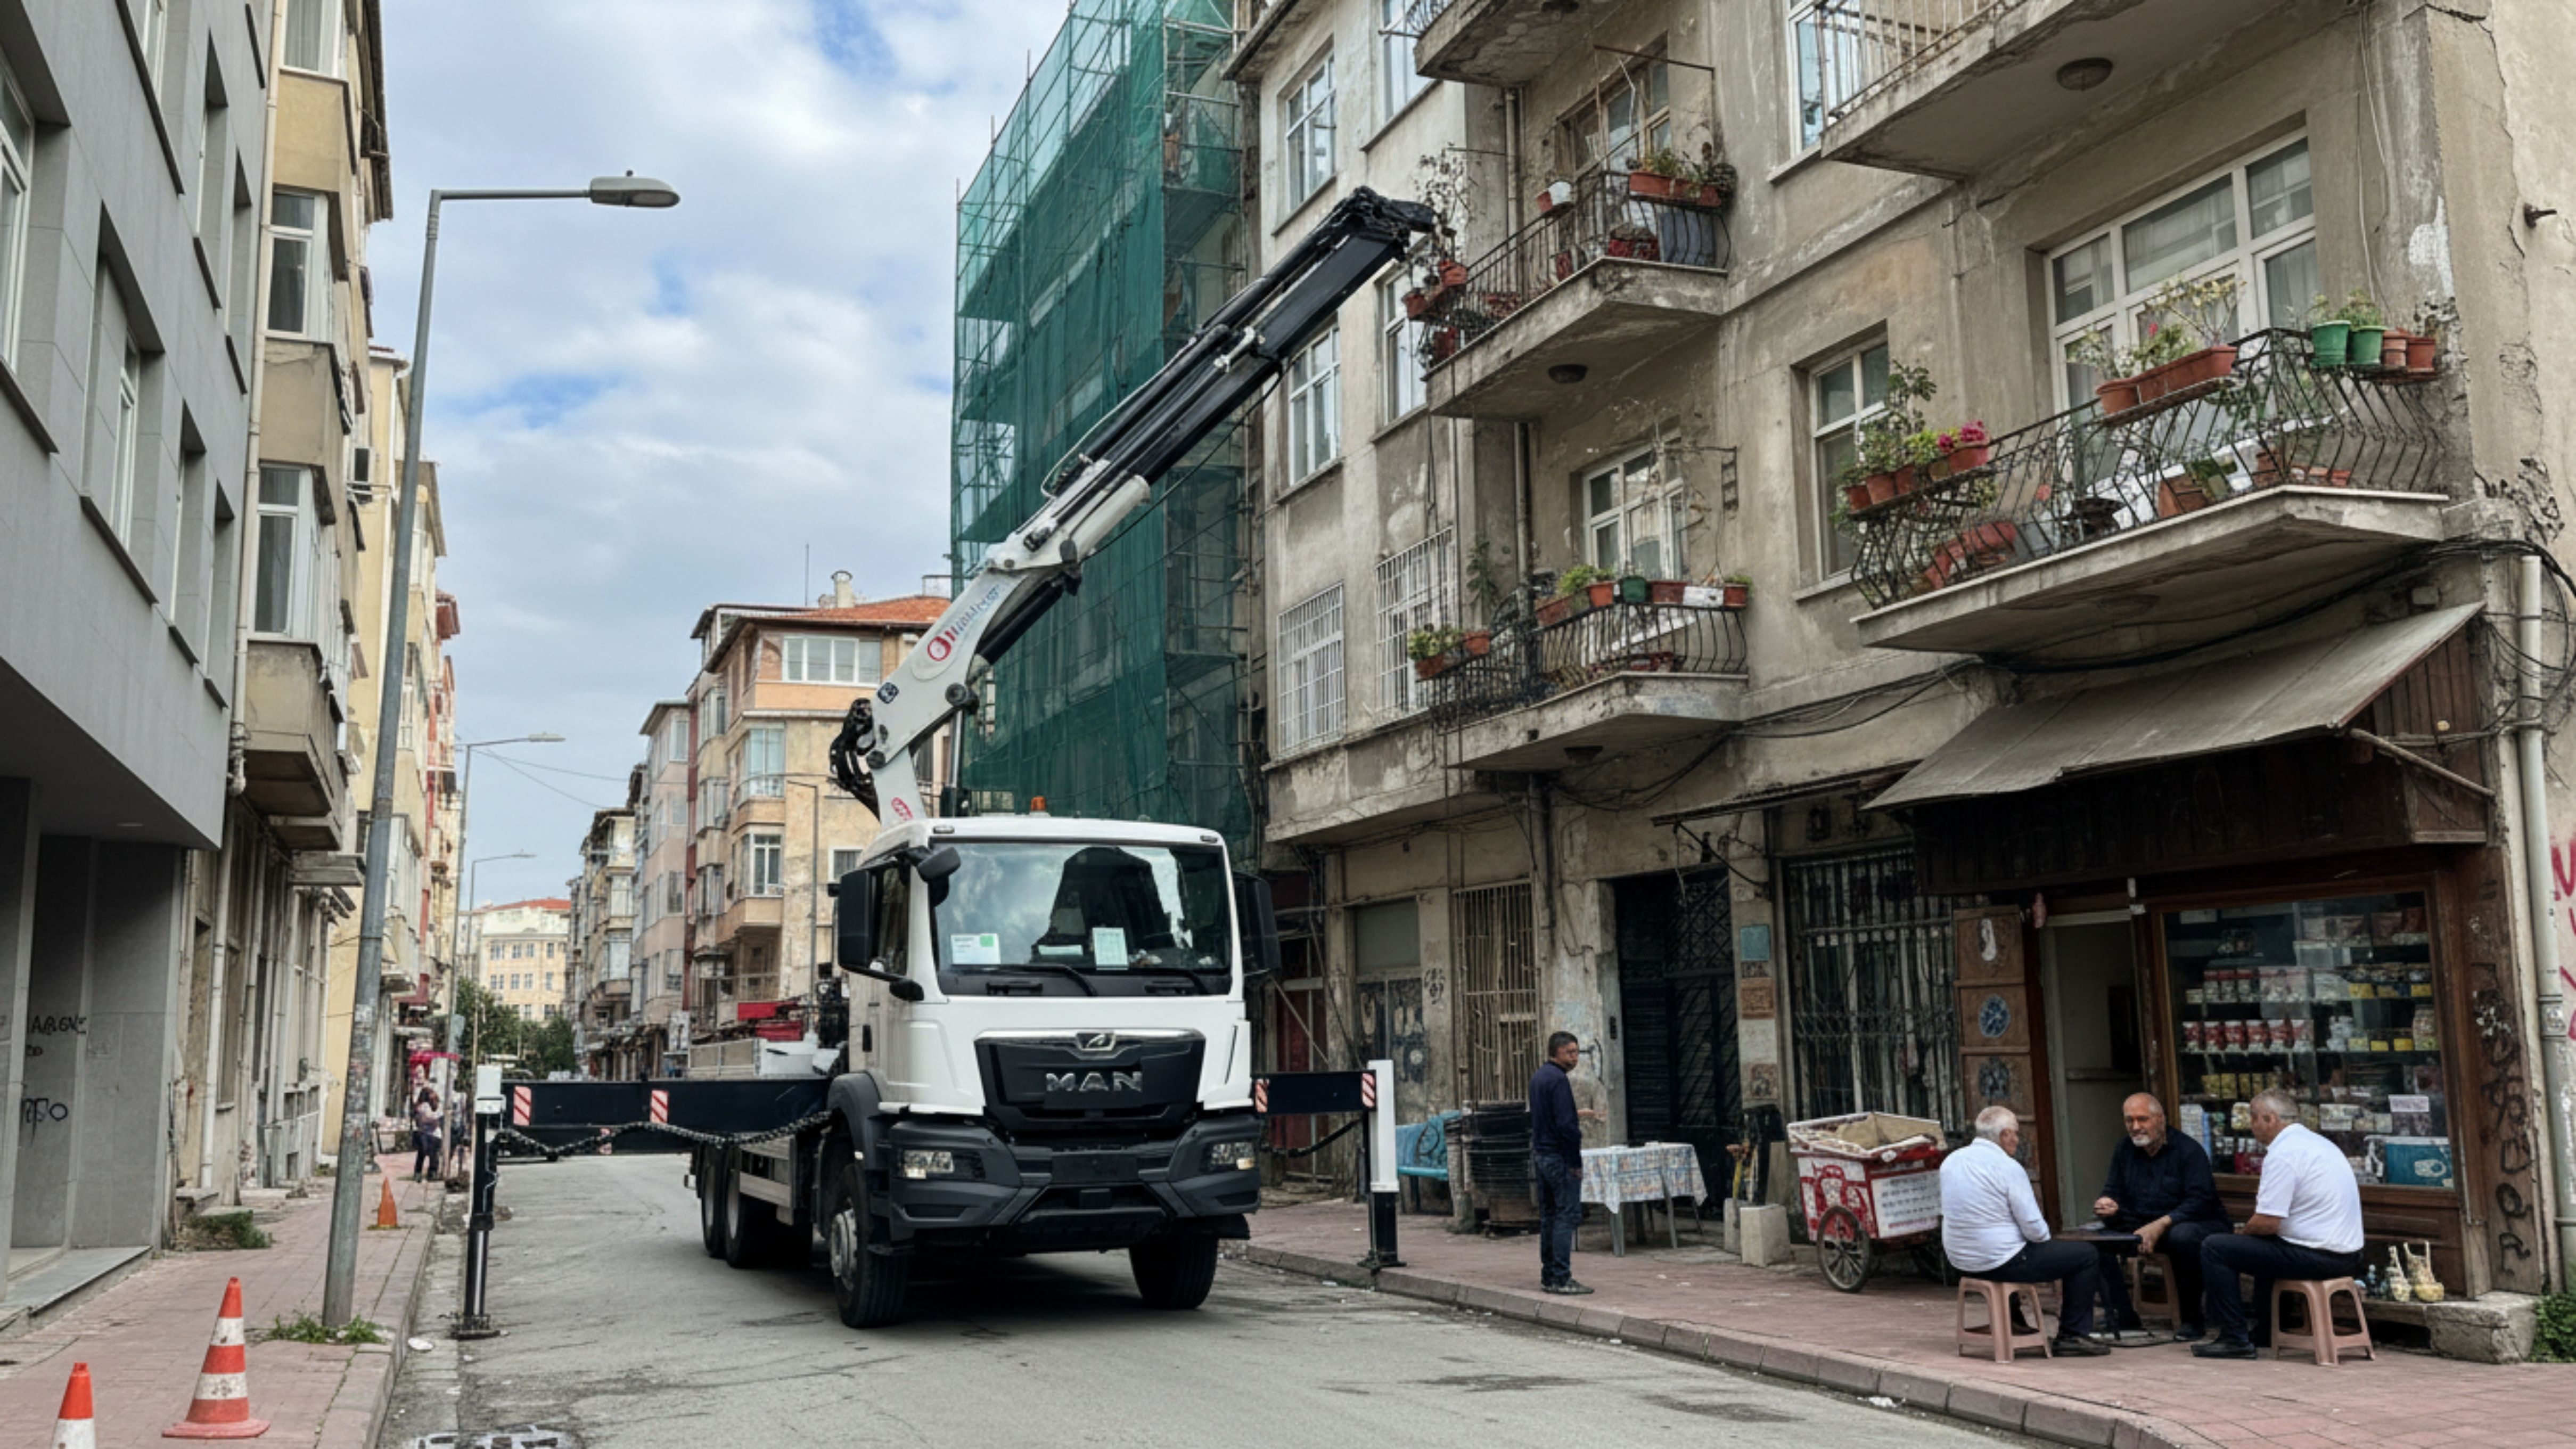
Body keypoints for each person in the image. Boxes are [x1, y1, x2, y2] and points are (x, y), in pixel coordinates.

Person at [2192, 1089, 2366, 1359]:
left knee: (2215, 1248)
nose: (2251, 1126)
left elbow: (2267, 1222)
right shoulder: (2318, 1143)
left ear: (2270, 1119)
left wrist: (2242, 1233)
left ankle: (2233, 1337)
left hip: (2321, 1256)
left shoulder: (2284, 1154)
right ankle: (2267, 1329)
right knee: (2262, 1246)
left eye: (2253, 1118)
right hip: (2348, 1254)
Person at [1939, 1105, 2109, 1356]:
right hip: (2000, 1261)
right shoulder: (2007, 1167)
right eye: (2016, 1134)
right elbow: (2036, 1231)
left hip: (1961, 1261)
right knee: (2086, 1255)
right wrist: (2044, 1241)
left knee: (2010, 1245)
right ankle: (2072, 1335)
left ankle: (2013, 1321)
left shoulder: (1951, 1161)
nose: (2018, 1140)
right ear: (2004, 1135)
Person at [2091, 1093, 2230, 1340]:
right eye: (2130, 1120)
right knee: (2096, 1243)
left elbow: (2199, 1201)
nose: (2136, 1127)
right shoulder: (2124, 1149)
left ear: (2160, 1119)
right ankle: (2123, 1315)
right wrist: (2108, 1204)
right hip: (2140, 1224)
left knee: (2183, 1238)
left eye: (2142, 1119)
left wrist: (2161, 1225)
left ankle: (2192, 1319)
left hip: (2190, 1223)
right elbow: (2113, 1190)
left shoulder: (2188, 1151)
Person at [1528, 1030, 1602, 1296]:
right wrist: (1574, 1162)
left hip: (1542, 1154)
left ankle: (1549, 1275)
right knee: (1566, 1216)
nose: (1574, 1058)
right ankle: (1561, 1277)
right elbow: (1566, 1125)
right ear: (1556, 1052)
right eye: (1569, 1052)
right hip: (1558, 1157)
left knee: (1549, 1216)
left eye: (1576, 1052)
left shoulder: (1540, 1077)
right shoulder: (1558, 1080)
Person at [411, 1089, 442, 1182]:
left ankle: (422, 1173)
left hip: (429, 1134)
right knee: (430, 1154)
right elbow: (429, 1117)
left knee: (427, 1155)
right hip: (429, 1134)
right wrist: (439, 1116)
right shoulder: (424, 1107)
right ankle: (430, 1173)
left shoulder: (423, 1106)